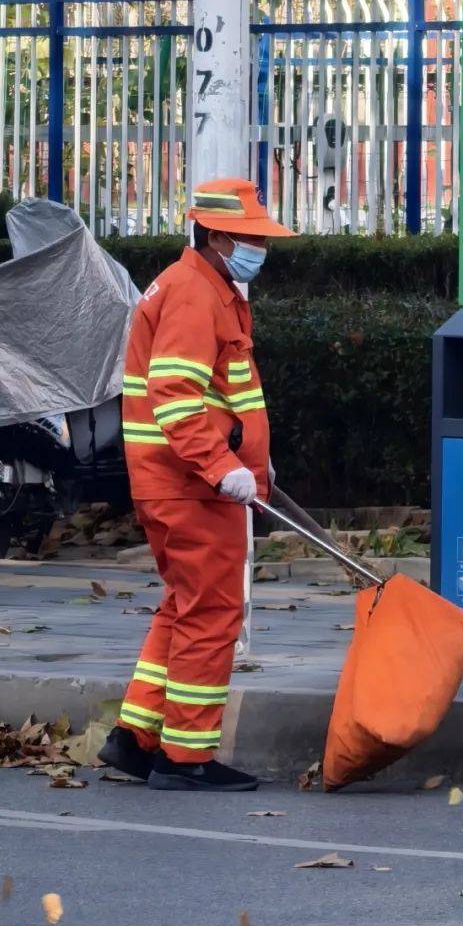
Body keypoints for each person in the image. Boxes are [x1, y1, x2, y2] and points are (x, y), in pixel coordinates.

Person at [98, 178, 295, 791]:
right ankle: (186, 758)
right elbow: (176, 397)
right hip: (191, 487)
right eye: (251, 238)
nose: (259, 248)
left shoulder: (205, 287)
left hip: (180, 483)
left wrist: (253, 463)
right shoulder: (193, 294)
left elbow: (213, 397)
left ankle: (135, 738)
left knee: (183, 606)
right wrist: (222, 468)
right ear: (215, 236)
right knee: (212, 612)